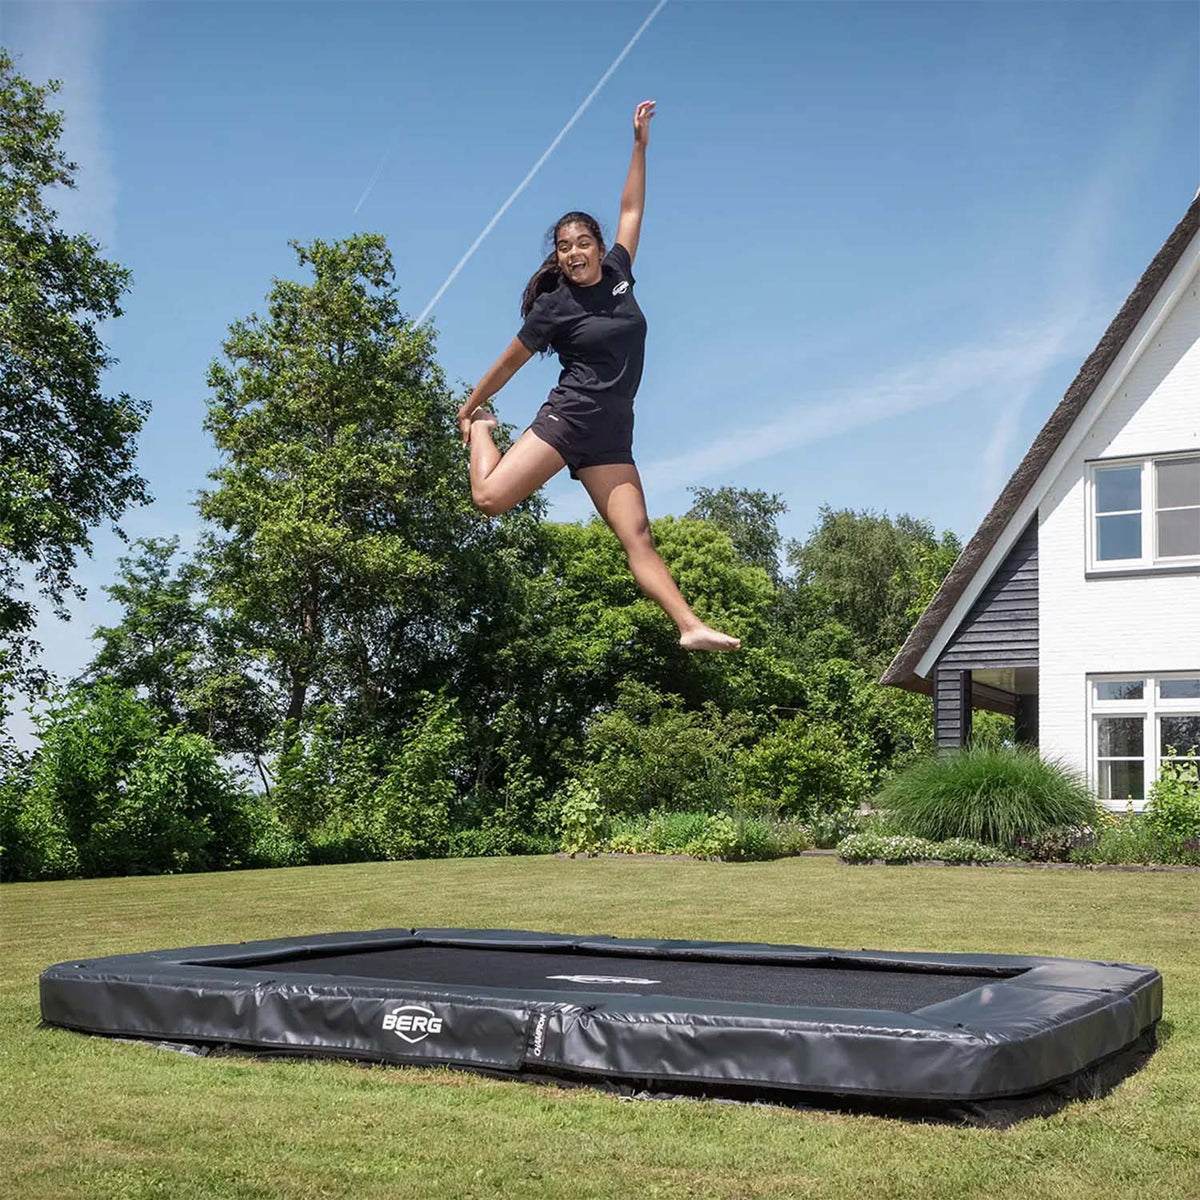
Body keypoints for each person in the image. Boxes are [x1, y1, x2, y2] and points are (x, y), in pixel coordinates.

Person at [456, 100, 741, 652]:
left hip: (612, 431)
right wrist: (472, 409)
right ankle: (487, 433)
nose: (575, 253)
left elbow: (631, 209)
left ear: (596, 245)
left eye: (583, 242)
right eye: (564, 248)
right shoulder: (553, 309)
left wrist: (639, 146)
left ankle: (689, 625)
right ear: (558, 258)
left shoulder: (618, 272)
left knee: (639, 536)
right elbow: (508, 363)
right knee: (490, 499)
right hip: (572, 416)